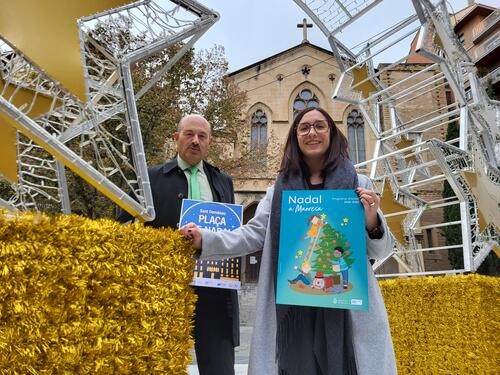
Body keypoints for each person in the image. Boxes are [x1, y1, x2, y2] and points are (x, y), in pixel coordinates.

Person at [180, 107, 397, 375]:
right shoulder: (277, 191)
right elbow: (252, 234)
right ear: (295, 137)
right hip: (292, 310)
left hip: (346, 310)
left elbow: (382, 249)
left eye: (320, 126)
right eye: (304, 127)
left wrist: (372, 219)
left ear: (332, 133)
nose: (312, 133)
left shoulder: (358, 184)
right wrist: (206, 239)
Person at [118, 114, 238, 375]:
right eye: (189, 134)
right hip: (164, 290)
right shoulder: (149, 179)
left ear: (210, 143)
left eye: (202, 136)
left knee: (219, 368)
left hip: (214, 290)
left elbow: (232, 233)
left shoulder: (223, 181)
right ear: (176, 138)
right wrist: (168, 240)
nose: (195, 141)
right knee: (159, 366)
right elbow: (122, 230)